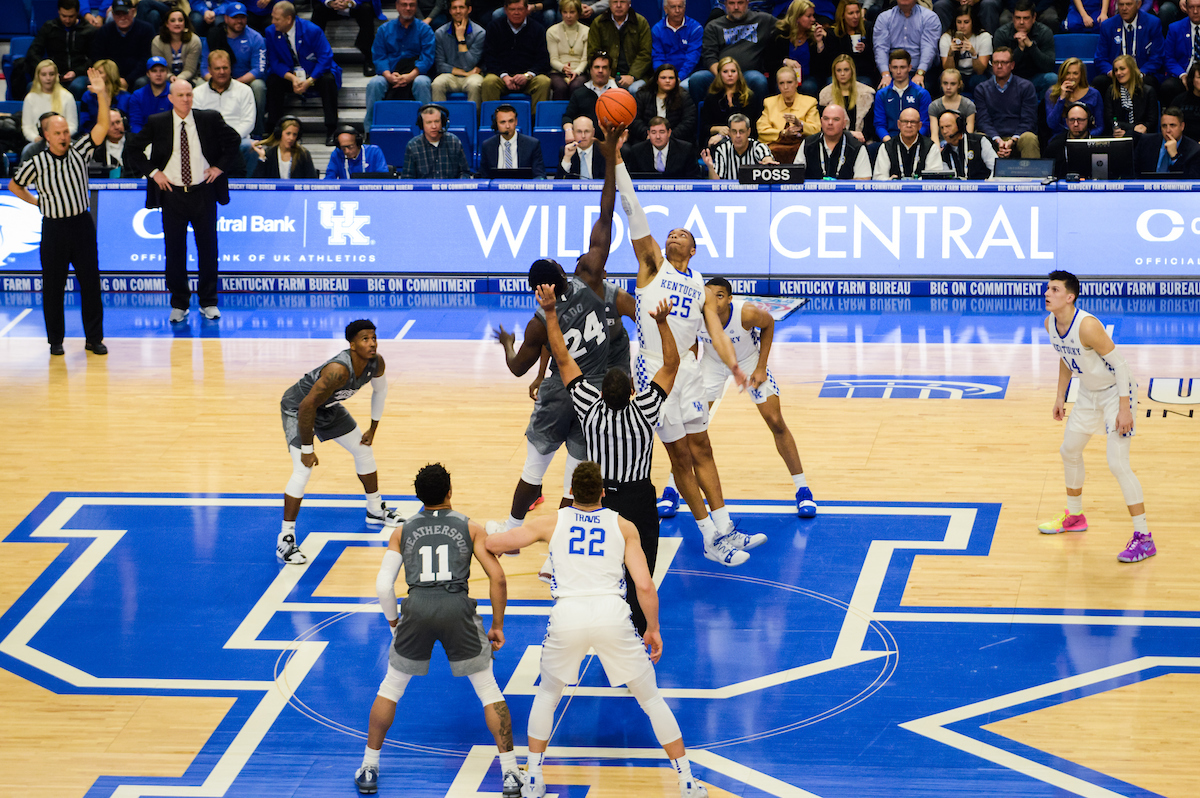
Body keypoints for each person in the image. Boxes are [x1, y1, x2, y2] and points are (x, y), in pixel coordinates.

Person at [486, 460, 710, 798]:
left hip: (568, 614)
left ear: (572, 492)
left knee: (548, 695)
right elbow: (645, 585)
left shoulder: (552, 521)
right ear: (604, 493)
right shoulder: (624, 526)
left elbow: (497, 544)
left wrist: (476, 532)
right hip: (612, 613)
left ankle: (533, 777)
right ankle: (687, 781)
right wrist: (653, 628)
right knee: (650, 698)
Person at [614, 146, 761, 566]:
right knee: (679, 456)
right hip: (656, 378)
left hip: (691, 373)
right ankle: (708, 538)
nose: (674, 234)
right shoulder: (651, 267)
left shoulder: (698, 283)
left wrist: (735, 367)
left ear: (693, 250)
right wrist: (618, 160)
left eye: (683, 235)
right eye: (671, 233)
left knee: (705, 450)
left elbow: (714, 330)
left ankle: (726, 527)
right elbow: (633, 210)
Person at [489, 125, 625, 540]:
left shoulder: (536, 324)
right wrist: (608, 157)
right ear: (565, 272)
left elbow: (517, 370)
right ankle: (560, 547)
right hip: (595, 392)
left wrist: (510, 345)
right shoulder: (591, 275)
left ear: (537, 290)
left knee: (534, 469)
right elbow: (605, 214)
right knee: (574, 478)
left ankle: (512, 532)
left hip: (558, 393)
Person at [354, 462, 520, 797]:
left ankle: (370, 766)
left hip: (417, 609)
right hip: (457, 608)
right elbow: (498, 577)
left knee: (391, 687)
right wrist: (497, 625)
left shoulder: (401, 531)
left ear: (418, 497)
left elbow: (384, 586)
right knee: (488, 690)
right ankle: (511, 774)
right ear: (450, 492)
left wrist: (393, 623)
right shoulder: (470, 528)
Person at [1038, 270, 1157, 564]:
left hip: (1115, 395)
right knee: (1069, 450)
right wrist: (1059, 396)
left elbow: (1122, 368)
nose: (1046, 293)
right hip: (1088, 395)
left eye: (1053, 290)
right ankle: (1075, 516)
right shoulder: (1050, 323)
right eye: (1046, 289)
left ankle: (1144, 538)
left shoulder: (1088, 326)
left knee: (1117, 464)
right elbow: (1067, 359)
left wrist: (1125, 408)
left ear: (1070, 297)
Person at [277, 320, 404, 566]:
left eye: (374, 337)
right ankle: (286, 539)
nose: (372, 343)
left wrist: (373, 428)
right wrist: (307, 449)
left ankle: (375, 510)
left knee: (363, 450)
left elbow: (381, 392)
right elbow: (306, 406)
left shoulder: (376, 363)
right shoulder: (338, 370)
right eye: (365, 339)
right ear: (352, 345)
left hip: (328, 407)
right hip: (299, 408)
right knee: (303, 469)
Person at [7, 66, 110, 357]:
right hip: (54, 229)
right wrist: (37, 202)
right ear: (47, 136)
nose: (65, 136)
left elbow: (101, 128)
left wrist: (102, 95)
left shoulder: (80, 152)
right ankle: (56, 341)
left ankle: (94, 338)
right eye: (59, 133)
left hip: (81, 224)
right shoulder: (36, 162)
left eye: (66, 131)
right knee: (53, 287)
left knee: (90, 283)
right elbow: (15, 186)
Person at [125, 79, 242, 322]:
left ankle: (208, 301)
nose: (186, 99)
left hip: (203, 191)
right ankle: (179, 303)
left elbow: (234, 141)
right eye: (181, 95)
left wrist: (219, 167)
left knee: (208, 249)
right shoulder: (158, 122)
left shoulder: (209, 118)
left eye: (189, 94)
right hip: (173, 195)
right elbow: (132, 150)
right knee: (175, 251)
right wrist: (154, 173)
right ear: (171, 98)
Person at [700, 278, 817, 517]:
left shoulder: (746, 313)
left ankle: (803, 489)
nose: (714, 300)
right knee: (692, 427)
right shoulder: (695, 314)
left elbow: (770, 323)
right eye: (710, 295)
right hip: (712, 364)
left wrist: (761, 366)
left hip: (748, 360)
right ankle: (671, 490)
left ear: (730, 299)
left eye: (720, 295)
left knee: (775, 420)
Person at [265, 1, 343, 145]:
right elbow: (274, 61)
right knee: (273, 81)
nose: (273, 21)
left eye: (276, 18)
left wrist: (309, 81)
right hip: (291, 75)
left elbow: (325, 58)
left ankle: (332, 129)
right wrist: (292, 79)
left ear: (288, 19)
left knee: (328, 79)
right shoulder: (271, 32)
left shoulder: (312, 30)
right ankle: (274, 130)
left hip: (314, 74)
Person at [364, 0, 436, 131]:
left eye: (412, 5)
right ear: (397, 6)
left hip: (416, 74)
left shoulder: (425, 30)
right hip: (390, 74)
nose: (408, 8)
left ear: (416, 7)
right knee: (375, 84)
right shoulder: (384, 30)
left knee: (422, 83)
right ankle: (370, 131)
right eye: (404, 4)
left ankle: (427, 128)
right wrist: (388, 76)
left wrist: (410, 76)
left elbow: (427, 58)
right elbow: (379, 56)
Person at [201, 4, 268, 136]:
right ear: (226, 19)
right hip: (218, 78)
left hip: (245, 80)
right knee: (199, 85)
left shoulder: (256, 38)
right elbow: (204, 68)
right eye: (235, 17)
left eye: (242, 17)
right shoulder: (214, 36)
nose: (239, 21)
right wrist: (215, 81)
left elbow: (259, 69)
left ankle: (257, 131)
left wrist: (236, 82)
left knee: (259, 86)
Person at [692, 0, 776, 104]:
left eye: (740, 3)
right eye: (731, 3)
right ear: (725, 4)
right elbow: (709, 56)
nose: (736, 7)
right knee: (697, 79)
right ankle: (702, 118)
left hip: (748, 74)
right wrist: (725, 75)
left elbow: (787, 27)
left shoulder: (763, 20)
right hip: (720, 74)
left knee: (758, 80)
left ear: (747, 3)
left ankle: (759, 119)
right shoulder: (714, 26)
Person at [15, 0, 97, 102]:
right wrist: (47, 71)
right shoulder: (50, 27)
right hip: (53, 73)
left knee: (77, 86)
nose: (67, 20)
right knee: (31, 86)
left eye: (71, 16)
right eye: (64, 16)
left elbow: (95, 58)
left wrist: (76, 72)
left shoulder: (89, 30)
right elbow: (33, 52)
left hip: (80, 74)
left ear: (77, 12)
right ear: (58, 12)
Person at [194, 50, 258, 174]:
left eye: (225, 68)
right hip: (208, 141)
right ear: (209, 70)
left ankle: (247, 186)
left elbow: (248, 122)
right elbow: (197, 123)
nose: (222, 72)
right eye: (217, 68)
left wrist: (231, 139)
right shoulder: (197, 93)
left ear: (231, 68)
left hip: (238, 139)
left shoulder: (245, 90)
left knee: (251, 147)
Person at [481, 0, 553, 107]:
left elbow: (543, 60)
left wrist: (527, 75)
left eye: (520, 9)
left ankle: (535, 121)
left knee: (544, 82)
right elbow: (489, 57)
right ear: (505, 10)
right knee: (489, 82)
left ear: (526, 10)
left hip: (528, 78)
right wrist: (504, 76)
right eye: (512, 9)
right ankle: (493, 120)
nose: (516, 13)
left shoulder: (538, 29)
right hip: (502, 77)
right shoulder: (494, 27)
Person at [974, 46, 1040, 158]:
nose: (999, 66)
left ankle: (1032, 175)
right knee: (978, 138)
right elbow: (983, 121)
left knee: (1030, 138)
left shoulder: (1026, 87)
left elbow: (1028, 120)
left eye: (1004, 62)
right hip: (993, 138)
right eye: (996, 62)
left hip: (1018, 137)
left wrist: (1012, 140)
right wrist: (998, 140)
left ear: (1012, 65)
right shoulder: (982, 89)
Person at [1093, 0, 1165, 96]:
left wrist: (1140, 73)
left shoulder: (1152, 23)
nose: (1124, 8)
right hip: (1116, 75)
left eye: (1128, 4)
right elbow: (1100, 58)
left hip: (1142, 74)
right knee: (1099, 82)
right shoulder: (1108, 25)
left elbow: (1157, 57)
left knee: (1150, 82)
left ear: (1138, 4)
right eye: (1121, 5)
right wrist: (1113, 72)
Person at [992, 0, 1057, 97]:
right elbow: (1001, 67)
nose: (1021, 22)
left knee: (1052, 78)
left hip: (1035, 77)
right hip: (1010, 79)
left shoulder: (1044, 32)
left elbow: (1048, 66)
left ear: (1034, 18)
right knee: (995, 78)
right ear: (1013, 18)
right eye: (1018, 18)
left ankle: (1042, 111)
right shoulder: (1002, 33)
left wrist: (1031, 46)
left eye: (1026, 18)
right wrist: (1020, 49)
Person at [88, 0, 157, 90]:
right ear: (112, 14)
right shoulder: (104, 31)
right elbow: (98, 57)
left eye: (125, 13)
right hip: (110, 76)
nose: (122, 18)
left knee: (142, 82)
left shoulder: (146, 29)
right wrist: (112, 78)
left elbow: (146, 59)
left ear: (133, 12)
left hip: (137, 76)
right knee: (90, 82)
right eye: (118, 14)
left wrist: (128, 80)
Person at [587, 0, 653, 93]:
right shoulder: (598, 23)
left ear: (629, 3)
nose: (618, 5)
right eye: (615, 2)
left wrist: (632, 76)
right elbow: (593, 53)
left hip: (637, 76)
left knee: (634, 89)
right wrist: (607, 75)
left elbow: (645, 53)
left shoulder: (640, 22)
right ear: (609, 4)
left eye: (622, 2)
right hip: (606, 75)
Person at [871, 0, 939, 90]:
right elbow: (880, 48)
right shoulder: (884, 17)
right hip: (892, 71)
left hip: (920, 70)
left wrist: (920, 73)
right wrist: (885, 74)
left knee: (920, 91)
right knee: (883, 90)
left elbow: (929, 47)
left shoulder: (929, 17)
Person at [20, 60, 79, 163]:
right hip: (38, 142)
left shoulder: (67, 96)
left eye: (51, 74)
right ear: (38, 76)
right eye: (44, 74)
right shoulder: (30, 98)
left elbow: (72, 126)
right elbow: (27, 127)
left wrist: (59, 137)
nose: (48, 78)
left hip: (62, 140)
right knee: (27, 150)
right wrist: (36, 139)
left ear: (56, 76)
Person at [757, 65, 818, 162]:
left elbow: (816, 131)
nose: (786, 87)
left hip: (802, 148)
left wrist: (801, 125)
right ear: (778, 85)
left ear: (796, 83)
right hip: (775, 148)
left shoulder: (810, 102)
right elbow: (762, 131)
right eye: (782, 83)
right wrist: (783, 133)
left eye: (789, 82)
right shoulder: (769, 103)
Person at [793, 103, 872, 178]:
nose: (830, 123)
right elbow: (796, 176)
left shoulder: (856, 146)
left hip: (846, 192)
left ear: (844, 123)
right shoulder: (808, 143)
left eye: (836, 119)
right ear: (821, 121)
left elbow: (863, 180)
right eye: (826, 119)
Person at [431, 0, 486, 104]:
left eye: (461, 7)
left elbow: (468, 65)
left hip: (472, 76)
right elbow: (440, 65)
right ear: (450, 11)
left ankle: (474, 120)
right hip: (450, 75)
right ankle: (439, 118)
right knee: (437, 83)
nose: (458, 11)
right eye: (454, 8)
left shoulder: (480, 33)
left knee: (475, 84)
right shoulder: (440, 33)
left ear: (469, 9)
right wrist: (464, 73)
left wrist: (461, 39)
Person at [311, 0, 384, 77]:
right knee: (318, 9)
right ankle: (314, 56)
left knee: (366, 9)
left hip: (356, 5)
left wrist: (351, 3)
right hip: (332, 6)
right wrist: (329, 2)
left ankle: (368, 58)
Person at [701, 56, 764, 146]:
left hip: (743, 139)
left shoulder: (749, 97)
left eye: (733, 71)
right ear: (719, 74)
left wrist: (727, 134)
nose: (730, 74)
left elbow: (752, 127)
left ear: (738, 74)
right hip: (717, 140)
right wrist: (718, 129)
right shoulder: (712, 97)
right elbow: (704, 127)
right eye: (725, 71)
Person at [768, 0, 823, 99]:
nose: (813, 19)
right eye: (809, 16)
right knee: (784, 87)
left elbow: (821, 68)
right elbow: (768, 63)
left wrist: (819, 43)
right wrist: (785, 61)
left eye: (813, 15)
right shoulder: (779, 35)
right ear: (797, 17)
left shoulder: (813, 35)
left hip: (807, 77)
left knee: (809, 86)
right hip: (784, 77)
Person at [873, 48, 931, 141]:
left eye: (902, 67)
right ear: (890, 68)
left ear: (909, 67)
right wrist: (890, 143)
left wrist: (913, 140)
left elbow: (925, 124)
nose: (898, 71)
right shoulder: (882, 94)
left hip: (916, 140)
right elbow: (879, 124)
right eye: (895, 67)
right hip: (890, 140)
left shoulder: (922, 93)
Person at [629, 64, 697, 143]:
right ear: (656, 80)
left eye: (671, 78)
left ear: (676, 80)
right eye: (663, 78)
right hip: (646, 140)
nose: (667, 81)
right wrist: (648, 135)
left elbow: (688, 122)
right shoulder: (642, 95)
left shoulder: (684, 96)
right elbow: (635, 119)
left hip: (675, 141)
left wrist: (668, 138)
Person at [402, 104, 472, 177]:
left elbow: (465, 173)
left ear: (443, 122)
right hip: (424, 188)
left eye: (437, 121)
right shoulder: (413, 146)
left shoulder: (454, 142)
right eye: (429, 122)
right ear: (421, 125)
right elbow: (407, 178)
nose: (434, 126)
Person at [479, 103, 548, 177]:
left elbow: (540, 175)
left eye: (511, 121)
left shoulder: (532, 144)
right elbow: (484, 176)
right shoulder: (487, 145)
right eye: (503, 122)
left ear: (516, 121)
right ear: (496, 124)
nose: (508, 126)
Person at [872, 106, 942, 177]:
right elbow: (879, 177)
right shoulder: (887, 147)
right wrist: (891, 182)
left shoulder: (930, 147)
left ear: (919, 125)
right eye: (905, 122)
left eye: (913, 122)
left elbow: (934, 178)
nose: (909, 125)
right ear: (898, 124)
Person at [818, 53, 875, 142]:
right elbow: (825, 126)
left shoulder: (867, 93)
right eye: (839, 70)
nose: (842, 73)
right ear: (834, 72)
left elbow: (870, 125)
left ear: (852, 71)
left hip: (863, 141)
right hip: (836, 141)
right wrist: (848, 136)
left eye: (846, 70)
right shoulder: (826, 94)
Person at [562, 51, 618, 140]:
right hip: (586, 142)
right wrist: (569, 131)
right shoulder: (579, 93)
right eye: (597, 67)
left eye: (604, 67)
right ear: (590, 70)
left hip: (613, 141)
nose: (600, 71)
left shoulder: (619, 93)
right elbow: (567, 117)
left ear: (610, 71)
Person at [651, 0, 703, 93]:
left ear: (685, 8)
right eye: (673, 7)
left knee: (683, 87)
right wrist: (665, 77)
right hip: (665, 74)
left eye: (680, 7)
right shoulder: (657, 29)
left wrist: (678, 78)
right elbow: (658, 57)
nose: (677, 10)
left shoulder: (695, 28)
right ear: (665, 9)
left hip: (687, 75)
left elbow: (692, 58)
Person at [703, 112, 776, 177]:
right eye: (734, 132)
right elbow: (716, 184)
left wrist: (768, 163)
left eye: (741, 131)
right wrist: (710, 167)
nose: (738, 135)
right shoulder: (722, 149)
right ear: (730, 133)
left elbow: (767, 158)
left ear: (748, 132)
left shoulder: (758, 147)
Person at [625, 115, 702, 176]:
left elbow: (694, 178)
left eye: (662, 132)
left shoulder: (686, 149)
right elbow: (632, 178)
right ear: (648, 133)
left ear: (669, 133)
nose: (658, 136)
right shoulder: (637, 151)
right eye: (653, 132)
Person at [1103, 55, 1160, 137]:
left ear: (1132, 69)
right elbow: (1109, 120)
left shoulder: (1148, 91)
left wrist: (1131, 133)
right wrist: (1132, 129)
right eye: (1116, 70)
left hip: (1143, 137)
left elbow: (1152, 121)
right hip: (1118, 135)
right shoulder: (1111, 91)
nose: (1118, 73)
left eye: (1122, 69)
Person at [1046, 58, 1104, 138]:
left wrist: (1085, 137)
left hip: (1086, 139)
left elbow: (1100, 126)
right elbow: (1052, 124)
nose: (1071, 77)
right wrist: (1061, 99)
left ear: (1081, 75)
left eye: (1075, 73)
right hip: (1060, 139)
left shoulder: (1094, 94)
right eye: (1068, 73)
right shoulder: (1052, 93)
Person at [1133, 105, 1200, 174]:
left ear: (1182, 126)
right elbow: (1133, 172)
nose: (1168, 130)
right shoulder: (1146, 142)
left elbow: (1190, 180)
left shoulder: (1194, 150)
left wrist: (1174, 157)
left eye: (1172, 125)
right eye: (1164, 126)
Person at [939, 6, 991, 93]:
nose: (962, 26)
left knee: (980, 80)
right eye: (959, 22)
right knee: (945, 79)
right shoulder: (946, 38)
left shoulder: (984, 37)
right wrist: (950, 54)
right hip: (957, 73)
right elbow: (948, 71)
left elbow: (980, 71)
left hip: (975, 74)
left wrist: (973, 54)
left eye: (966, 22)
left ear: (973, 22)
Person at [547, 0, 590, 99]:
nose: (568, 16)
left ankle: (576, 114)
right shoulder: (552, 31)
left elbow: (585, 59)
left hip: (580, 72)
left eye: (572, 12)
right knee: (560, 87)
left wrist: (576, 72)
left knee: (576, 85)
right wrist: (563, 68)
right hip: (558, 71)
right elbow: (553, 59)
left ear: (578, 13)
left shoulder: (587, 31)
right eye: (565, 12)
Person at [252, 114, 317, 177]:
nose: (291, 138)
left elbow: (312, 180)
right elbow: (257, 181)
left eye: (294, 134)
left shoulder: (303, 154)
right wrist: (262, 158)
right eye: (288, 134)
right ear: (279, 134)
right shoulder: (269, 154)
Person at [79, 58, 132, 134]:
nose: (94, 76)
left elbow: (129, 124)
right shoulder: (87, 96)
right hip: (96, 136)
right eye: (94, 72)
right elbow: (84, 124)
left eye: (99, 72)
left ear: (110, 76)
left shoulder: (126, 97)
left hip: (120, 136)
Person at [938, 108, 995, 177]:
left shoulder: (979, 142)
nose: (944, 131)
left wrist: (988, 184)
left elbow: (995, 168)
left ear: (959, 125)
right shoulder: (944, 153)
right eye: (942, 128)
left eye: (948, 126)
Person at [1161, 0, 1200, 102]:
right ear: (1186, 8)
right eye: (1191, 7)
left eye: (1199, 7)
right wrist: (1182, 75)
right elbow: (1168, 58)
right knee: (1168, 86)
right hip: (1183, 73)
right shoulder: (1175, 28)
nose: (1195, 11)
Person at [151, 9, 203, 85]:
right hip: (164, 78)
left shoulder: (194, 40)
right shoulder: (157, 41)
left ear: (185, 23)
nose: (177, 23)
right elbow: (160, 66)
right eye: (173, 21)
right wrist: (170, 77)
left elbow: (190, 69)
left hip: (190, 79)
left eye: (180, 20)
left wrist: (178, 80)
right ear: (166, 24)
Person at [1045, 102, 1095, 177]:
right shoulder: (1055, 144)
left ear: (1089, 121)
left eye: (1080, 120)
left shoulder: (1098, 144)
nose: (1075, 124)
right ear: (1067, 122)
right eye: (1072, 120)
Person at [928, 68, 975, 145]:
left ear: (959, 84)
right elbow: (934, 135)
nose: (948, 87)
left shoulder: (968, 105)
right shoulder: (934, 106)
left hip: (962, 144)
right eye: (945, 83)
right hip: (941, 145)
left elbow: (969, 134)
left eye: (953, 84)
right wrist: (937, 152)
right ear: (941, 84)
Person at [128, 57, 175, 133]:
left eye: (162, 71)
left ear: (167, 72)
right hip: (145, 139)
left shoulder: (175, 92)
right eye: (154, 71)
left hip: (170, 137)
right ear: (148, 74)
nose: (158, 74)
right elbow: (135, 124)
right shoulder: (137, 96)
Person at [92, 108, 137, 176]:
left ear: (124, 122)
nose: (116, 127)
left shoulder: (137, 142)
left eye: (118, 122)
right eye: (111, 124)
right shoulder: (97, 148)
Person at [934, 0, 1002, 34]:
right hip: (955, 3)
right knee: (940, 6)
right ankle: (943, 50)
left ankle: (991, 50)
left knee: (988, 5)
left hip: (981, 3)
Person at [1170, 62, 1200, 139]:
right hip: (1183, 143)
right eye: (1199, 77)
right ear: (1192, 79)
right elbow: (1170, 123)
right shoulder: (1179, 100)